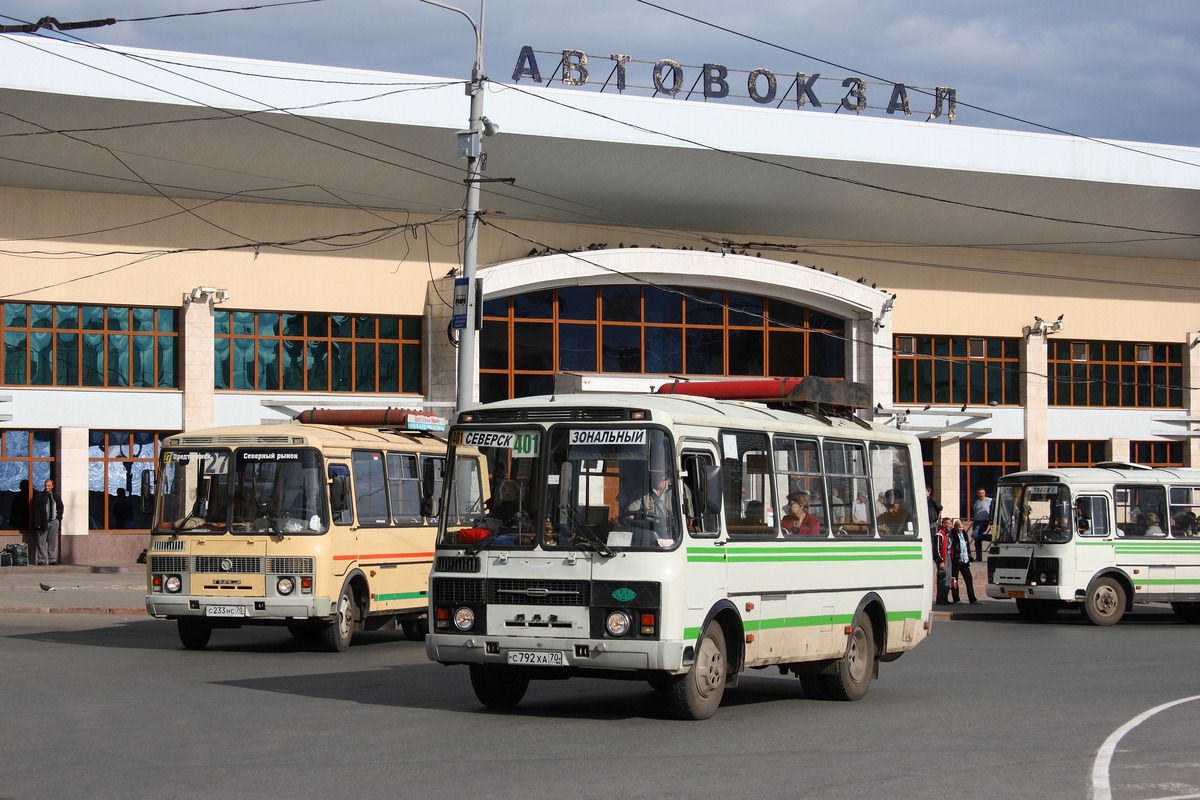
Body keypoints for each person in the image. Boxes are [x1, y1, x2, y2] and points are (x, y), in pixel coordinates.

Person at [943, 519, 978, 604]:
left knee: (968, 578)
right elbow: (951, 547)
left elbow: (967, 546)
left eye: (962, 527)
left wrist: (969, 558)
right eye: (959, 527)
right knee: (954, 579)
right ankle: (956, 599)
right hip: (956, 560)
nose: (961, 529)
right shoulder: (952, 534)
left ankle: (972, 598)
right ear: (955, 527)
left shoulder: (964, 534)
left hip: (964, 559)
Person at [32, 477, 64, 566]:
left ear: (52, 486)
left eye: (49, 486)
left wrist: (58, 518)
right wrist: (37, 523)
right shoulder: (39, 497)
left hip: (54, 521)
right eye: (46, 485)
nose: (47, 487)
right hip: (43, 522)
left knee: (52, 541)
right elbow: (36, 510)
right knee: (41, 541)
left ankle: (51, 559)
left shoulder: (56, 496)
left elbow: (61, 507)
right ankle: (41, 559)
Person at [971, 487, 993, 561]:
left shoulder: (990, 500)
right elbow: (975, 513)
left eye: (982, 493)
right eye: (979, 493)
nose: (981, 494)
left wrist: (992, 523)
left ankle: (991, 538)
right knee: (977, 540)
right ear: (977, 494)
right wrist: (973, 522)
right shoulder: (977, 502)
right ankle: (979, 558)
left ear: (985, 493)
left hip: (984, 522)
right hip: (976, 522)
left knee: (975, 535)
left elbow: (993, 511)